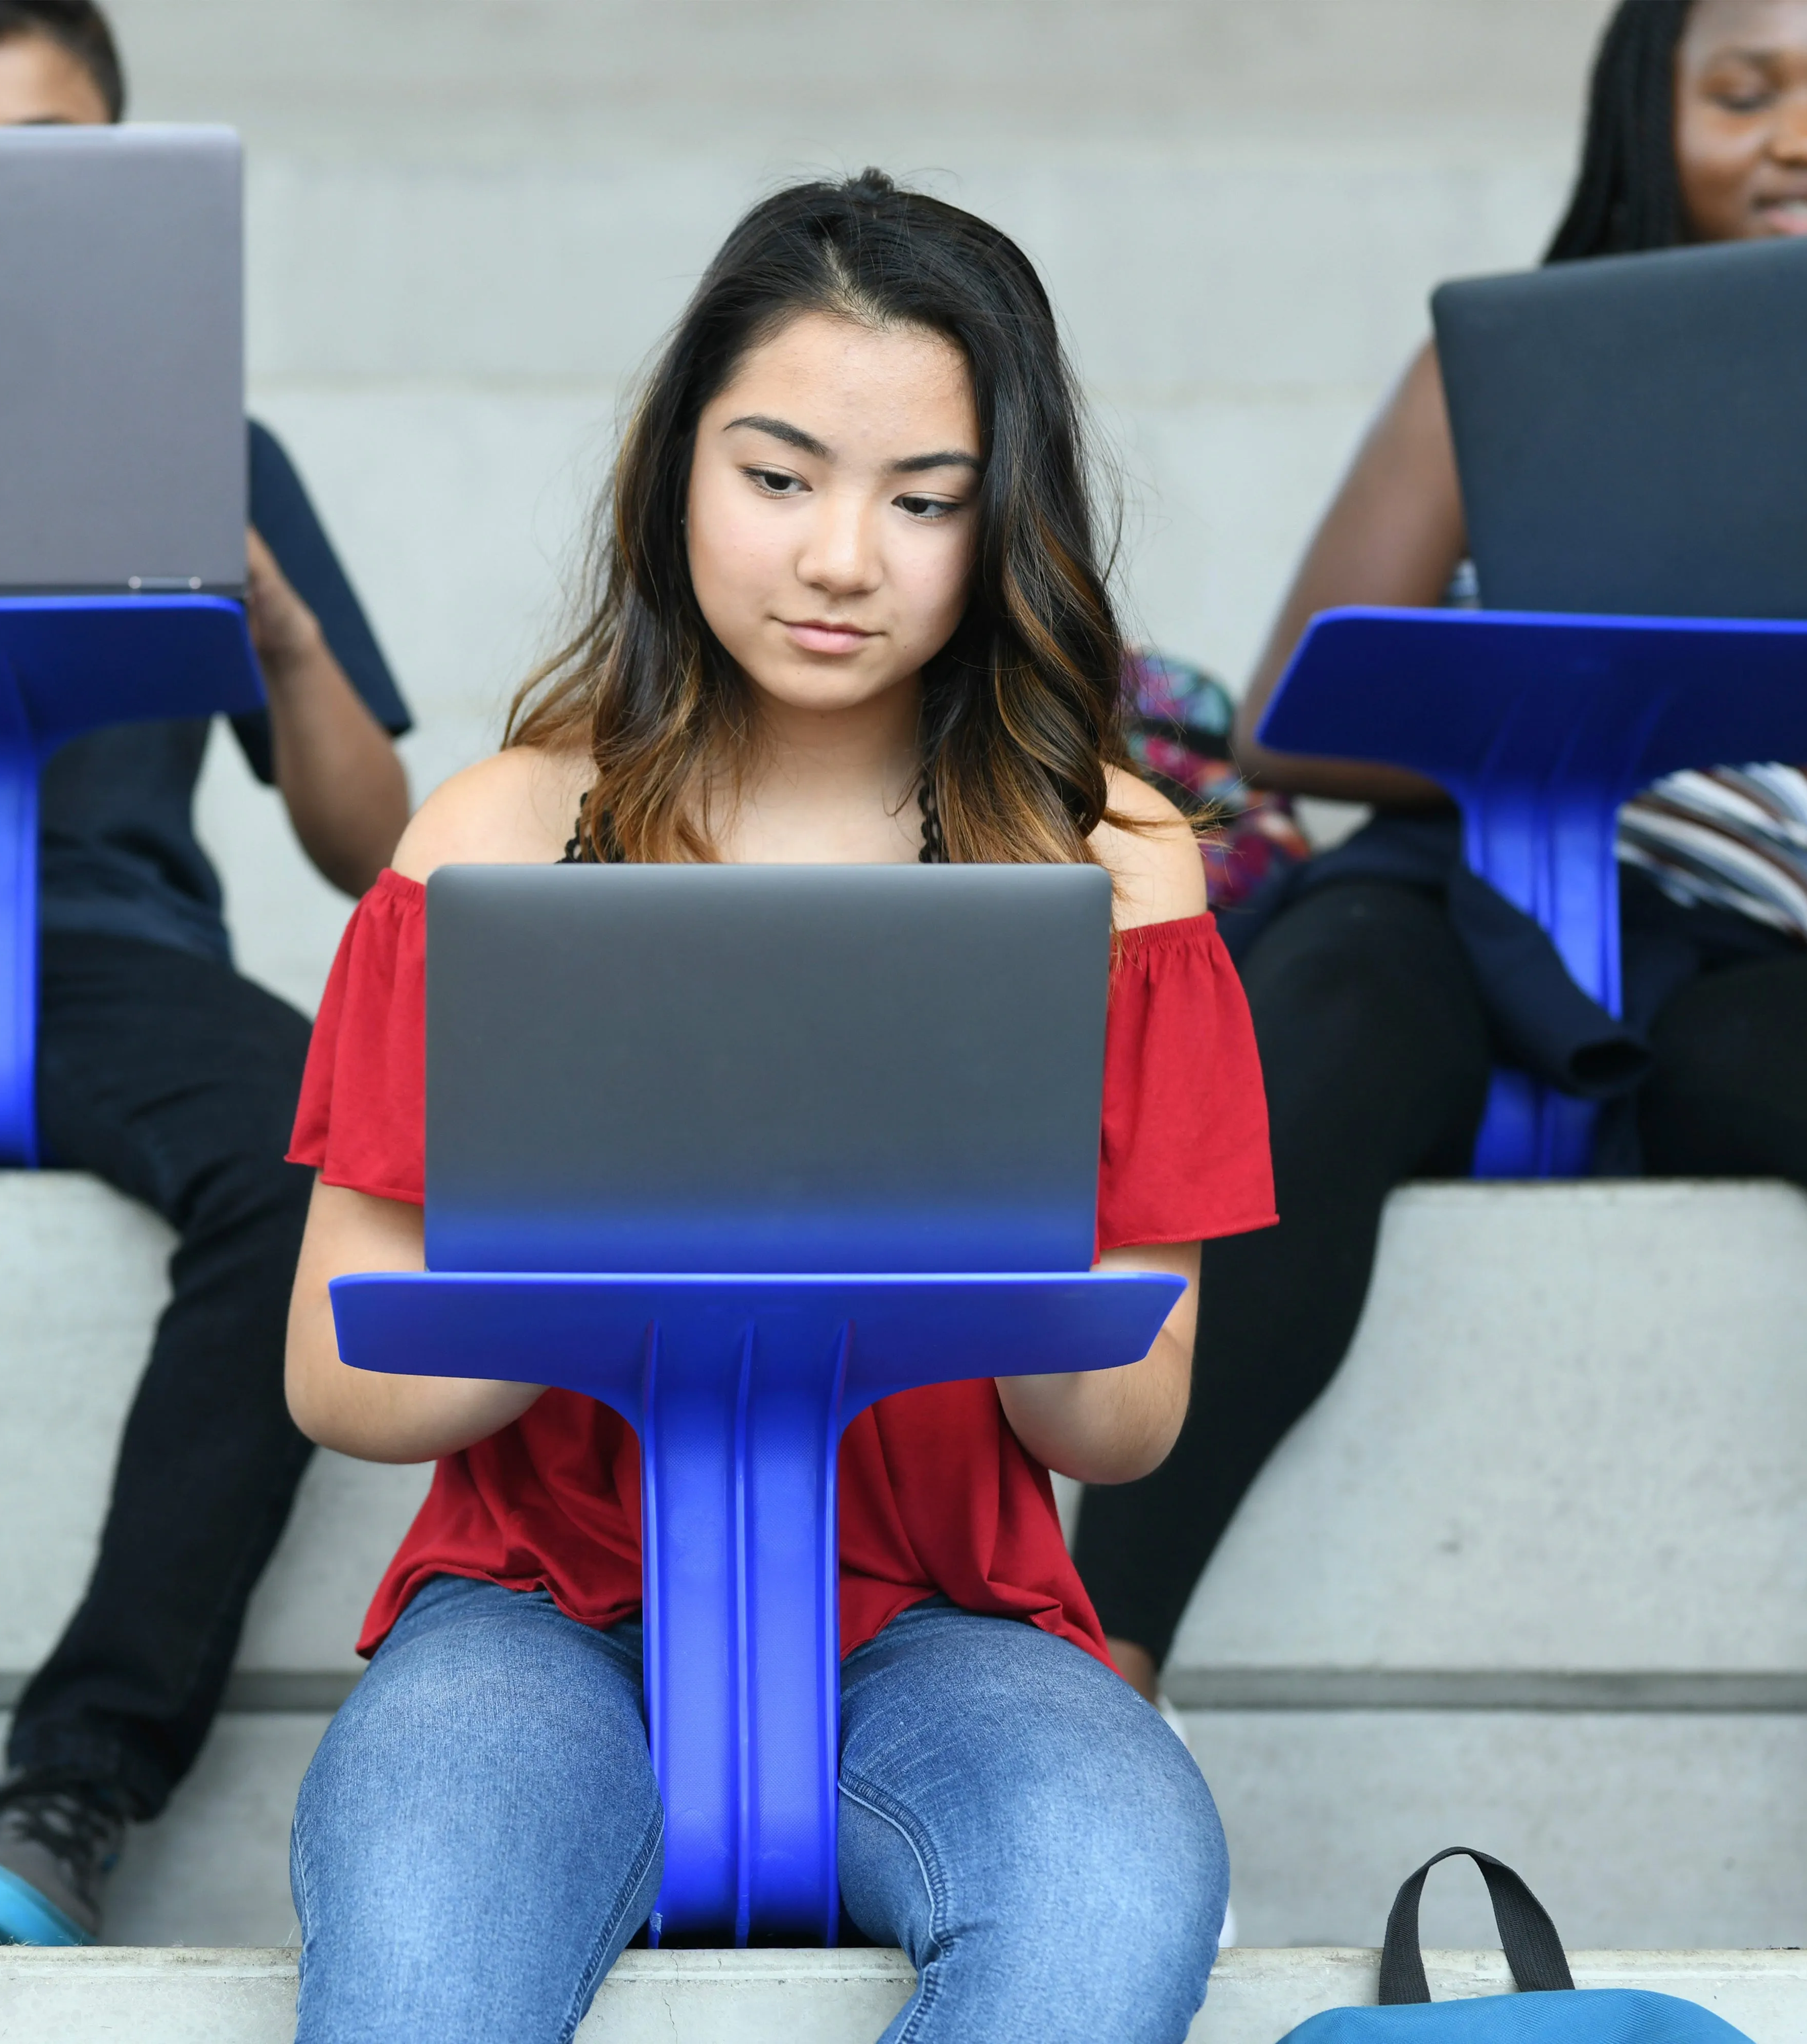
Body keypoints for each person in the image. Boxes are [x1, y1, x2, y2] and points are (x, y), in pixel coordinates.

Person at [281, 172, 1276, 2043]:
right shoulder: (499, 839)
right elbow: (339, 1380)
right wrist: (611, 1243)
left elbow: (1125, 1420)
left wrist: (961, 1219)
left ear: (1008, 530)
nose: (841, 559)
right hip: (540, 1613)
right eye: (779, 477)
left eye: (925, 505)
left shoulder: (1112, 872)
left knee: (1106, 1886)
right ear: (679, 473)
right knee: (419, 1970)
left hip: (934, 1620)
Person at [1073, 0, 1807, 1705]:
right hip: (1459, 890)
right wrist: (1606, 714)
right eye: (1746, 92)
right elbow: (1293, 703)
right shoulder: (1509, 366)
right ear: (1644, 117)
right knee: (1330, 1025)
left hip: (1739, 958)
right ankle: (1100, 1652)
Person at [0, 0, 412, 1946]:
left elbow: (368, 845)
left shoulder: (209, 436)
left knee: (326, 1157)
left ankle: (80, 1781)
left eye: (60, 158)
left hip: (112, 951)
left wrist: (291, 640)